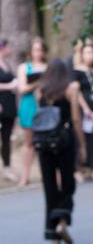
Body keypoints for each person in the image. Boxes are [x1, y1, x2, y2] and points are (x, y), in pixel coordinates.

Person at [35, 59, 84, 244]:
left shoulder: (42, 89)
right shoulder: (71, 87)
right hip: (64, 140)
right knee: (68, 183)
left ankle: (52, 233)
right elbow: (76, 119)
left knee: (49, 186)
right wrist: (82, 144)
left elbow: (40, 116)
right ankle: (62, 221)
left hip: (45, 141)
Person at [17, 37, 48, 186]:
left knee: (45, 141)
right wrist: (37, 82)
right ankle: (25, 176)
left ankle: (48, 173)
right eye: (35, 49)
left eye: (40, 49)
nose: (38, 53)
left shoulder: (47, 67)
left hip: (44, 105)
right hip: (29, 105)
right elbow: (22, 89)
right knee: (28, 142)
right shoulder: (24, 67)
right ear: (31, 51)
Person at [74, 42, 93, 183]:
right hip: (82, 110)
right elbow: (77, 91)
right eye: (87, 52)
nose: (90, 55)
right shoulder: (78, 72)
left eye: (92, 52)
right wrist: (85, 108)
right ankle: (79, 169)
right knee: (81, 139)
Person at [0, 39, 19, 182]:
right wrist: (9, 85)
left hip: (9, 106)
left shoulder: (7, 64)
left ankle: (6, 168)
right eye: (9, 47)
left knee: (6, 139)